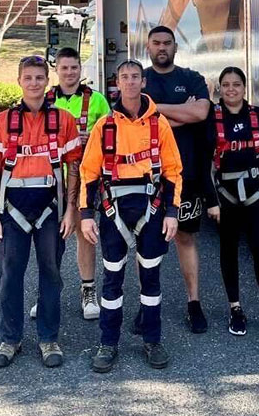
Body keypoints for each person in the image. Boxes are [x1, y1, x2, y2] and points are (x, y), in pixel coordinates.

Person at [80, 59, 183, 372]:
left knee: (150, 279)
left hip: (152, 211)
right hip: (114, 212)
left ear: (143, 82)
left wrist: (172, 212)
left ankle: (152, 339)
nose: (129, 82)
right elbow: (89, 171)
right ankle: (108, 342)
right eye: (124, 77)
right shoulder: (105, 126)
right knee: (112, 281)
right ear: (117, 83)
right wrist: (86, 214)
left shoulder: (158, 124)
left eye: (135, 76)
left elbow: (172, 170)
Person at [0, 55, 82, 368]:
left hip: (50, 210)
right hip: (11, 210)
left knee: (51, 275)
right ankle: (10, 340)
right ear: (19, 81)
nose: (34, 83)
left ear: (47, 81)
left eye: (40, 77)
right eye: (28, 77)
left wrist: (71, 212)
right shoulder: (4, 121)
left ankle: (48, 339)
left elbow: (74, 168)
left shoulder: (62, 120)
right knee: (10, 276)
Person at [142, 25, 218, 333]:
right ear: (148, 47)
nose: (162, 47)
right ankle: (148, 305)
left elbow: (200, 114)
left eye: (167, 43)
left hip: (185, 175)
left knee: (185, 238)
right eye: (156, 43)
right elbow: (136, 119)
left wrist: (154, 110)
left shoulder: (192, 79)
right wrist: (180, 111)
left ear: (176, 47)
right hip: (146, 176)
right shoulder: (140, 78)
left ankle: (194, 303)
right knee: (147, 243)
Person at [27, 47, 110, 321]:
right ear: (56, 71)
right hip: (50, 179)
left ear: (80, 70)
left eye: (74, 67)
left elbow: (111, 139)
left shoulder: (97, 100)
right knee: (50, 238)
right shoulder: (44, 100)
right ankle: (47, 293)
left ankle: (88, 291)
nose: (70, 72)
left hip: (87, 178)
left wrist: (92, 139)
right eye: (64, 68)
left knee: (85, 233)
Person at [209, 66, 259, 339]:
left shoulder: (258, 116)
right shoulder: (213, 117)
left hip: (257, 194)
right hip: (226, 197)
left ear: (244, 88)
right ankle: (235, 308)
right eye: (226, 84)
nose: (231, 89)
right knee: (228, 251)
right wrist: (211, 201)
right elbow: (205, 159)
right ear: (220, 88)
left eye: (236, 84)